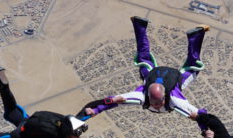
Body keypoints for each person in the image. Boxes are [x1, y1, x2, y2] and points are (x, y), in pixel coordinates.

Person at [77, 16, 209, 119]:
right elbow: (116, 100)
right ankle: (195, 36)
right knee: (192, 66)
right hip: (157, 76)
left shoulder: (150, 97)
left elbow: (116, 100)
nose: (157, 106)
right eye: (156, 102)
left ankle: (140, 26)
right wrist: (95, 110)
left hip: (156, 75)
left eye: (157, 102)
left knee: (190, 66)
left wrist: (95, 110)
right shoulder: (170, 100)